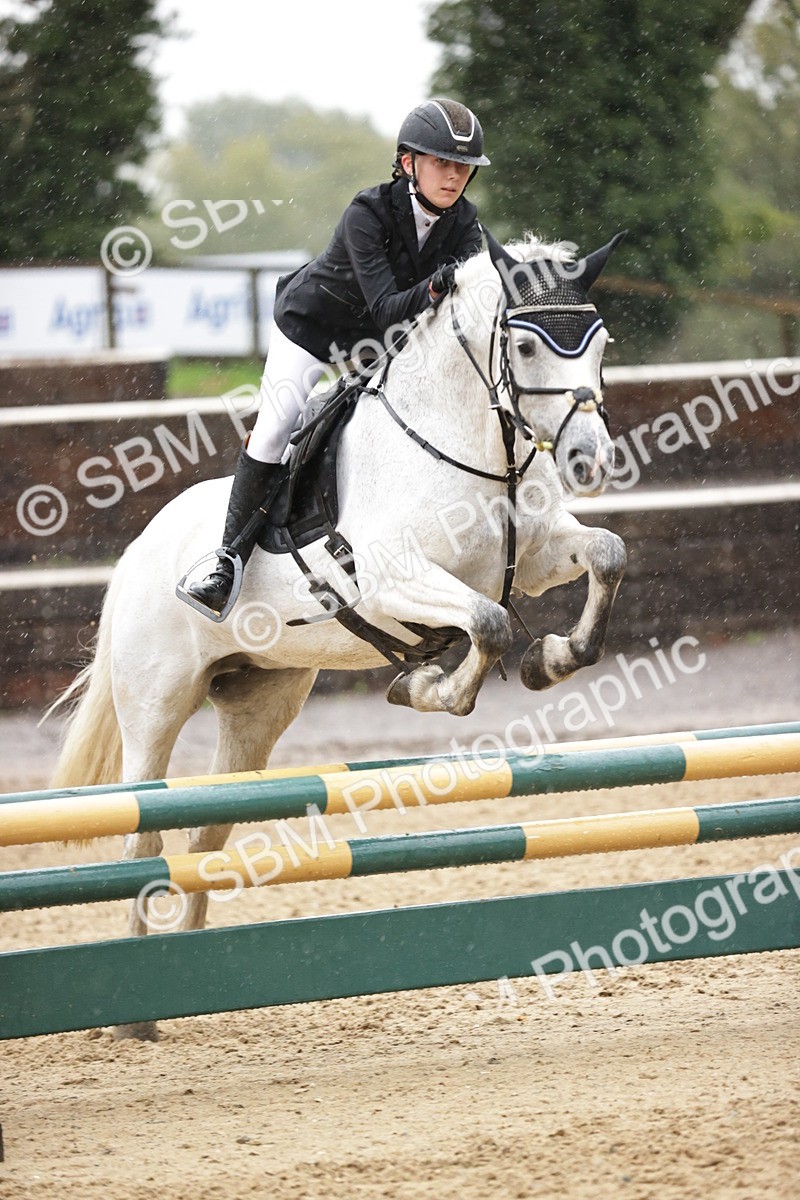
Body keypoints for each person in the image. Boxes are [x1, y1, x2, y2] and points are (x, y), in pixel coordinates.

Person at [186, 98, 490, 616]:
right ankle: (227, 561)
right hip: (313, 329)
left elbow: (482, 282)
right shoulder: (367, 213)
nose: (454, 176)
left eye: (463, 166)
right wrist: (440, 286)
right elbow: (388, 308)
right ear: (409, 162)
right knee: (277, 425)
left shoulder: (464, 222)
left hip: (378, 342)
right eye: (443, 162)